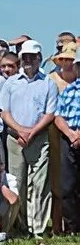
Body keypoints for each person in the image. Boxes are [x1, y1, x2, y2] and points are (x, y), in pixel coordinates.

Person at [0, 40, 58, 238]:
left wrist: (31, 132)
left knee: (40, 184)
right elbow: (4, 113)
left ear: (39, 58)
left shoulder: (48, 83)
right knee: (17, 182)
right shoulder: (11, 82)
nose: (28, 60)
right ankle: (20, 226)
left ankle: (37, 228)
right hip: (15, 138)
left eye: (32, 57)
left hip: (39, 138)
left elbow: (50, 114)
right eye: (25, 57)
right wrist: (21, 131)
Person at [53, 44, 80, 234]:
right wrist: (71, 134)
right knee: (67, 187)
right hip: (68, 139)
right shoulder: (69, 91)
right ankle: (73, 229)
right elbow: (58, 116)